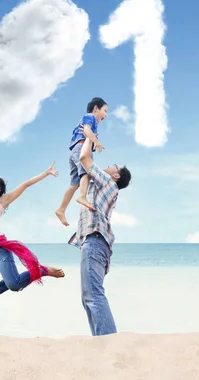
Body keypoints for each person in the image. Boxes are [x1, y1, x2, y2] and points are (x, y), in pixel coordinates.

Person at [0, 152, 65, 306]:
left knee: (14, 284)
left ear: (0, 187)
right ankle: (10, 277)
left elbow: (25, 184)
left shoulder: (2, 201)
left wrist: (46, 173)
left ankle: (43, 270)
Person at [73, 136, 132, 336]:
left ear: (115, 175)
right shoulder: (101, 186)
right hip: (96, 243)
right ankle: (101, 341)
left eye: (112, 165)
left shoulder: (107, 182)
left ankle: (109, 343)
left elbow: (84, 158)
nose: (107, 165)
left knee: (93, 295)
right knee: (88, 296)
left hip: (96, 241)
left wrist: (90, 135)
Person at [55, 97, 108, 227]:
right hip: (81, 148)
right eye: (105, 111)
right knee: (86, 173)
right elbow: (86, 130)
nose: (105, 116)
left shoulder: (92, 122)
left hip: (74, 151)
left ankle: (61, 209)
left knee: (74, 183)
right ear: (96, 108)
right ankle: (82, 196)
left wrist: (94, 140)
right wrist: (95, 140)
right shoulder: (90, 117)